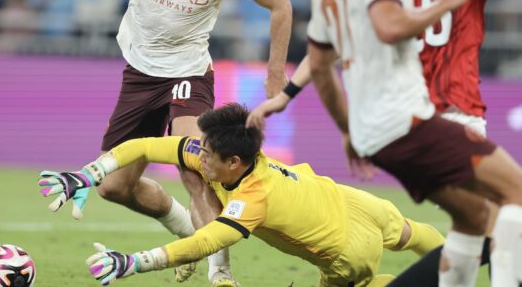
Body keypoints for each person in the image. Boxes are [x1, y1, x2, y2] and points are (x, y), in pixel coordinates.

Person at [6, 0, 293, 285]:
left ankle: (220, 273)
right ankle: (186, 230)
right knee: (113, 187)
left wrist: (275, 76)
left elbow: (281, 5)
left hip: (188, 73)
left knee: (196, 169)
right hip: (139, 76)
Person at [304, 0, 522, 286]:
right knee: (512, 196)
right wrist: (446, 2)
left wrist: (334, 121)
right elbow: (389, 27)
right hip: (424, 115)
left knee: (474, 220)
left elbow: (320, 63)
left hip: (376, 125)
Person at [38, 103, 445, 287]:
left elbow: (205, 241)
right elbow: (143, 146)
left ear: (234, 162)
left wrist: (134, 262)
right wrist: (87, 175)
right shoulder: (222, 153)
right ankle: (474, 261)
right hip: (350, 200)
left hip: (342, 249)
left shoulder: (251, 200)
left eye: (209, 156)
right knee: (411, 233)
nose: (198, 160)